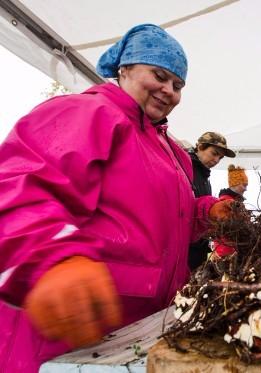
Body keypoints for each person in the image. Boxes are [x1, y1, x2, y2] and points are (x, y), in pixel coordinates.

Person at [0, 24, 231, 372]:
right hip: (70, 333)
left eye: (178, 85)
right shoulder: (87, 113)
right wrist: (51, 260)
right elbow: (21, 189)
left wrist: (207, 213)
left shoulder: (174, 151)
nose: (168, 90)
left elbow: (166, 219)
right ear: (125, 69)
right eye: (159, 75)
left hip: (143, 328)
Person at [186, 132, 235, 271]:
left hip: (198, 247)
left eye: (220, 157)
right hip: (185, 248)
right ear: (200, 147)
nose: (216, 160)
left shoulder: (204, 175)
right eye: (214, 153)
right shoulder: (185, 168)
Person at [213, 164, 248, 258]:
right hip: (226, 251)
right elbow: (228, 229)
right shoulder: (226, 202)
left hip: (230, 250)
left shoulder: (234, 202)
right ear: (235, 183)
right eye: (244, 185)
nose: (246, 189)